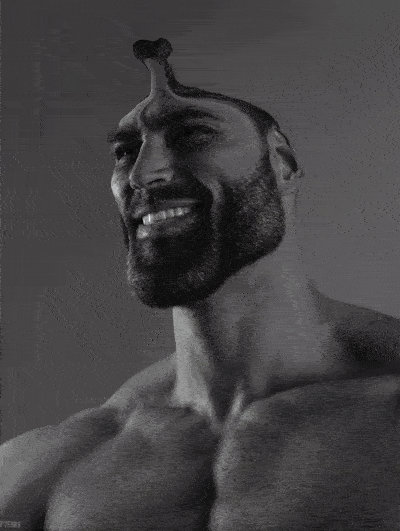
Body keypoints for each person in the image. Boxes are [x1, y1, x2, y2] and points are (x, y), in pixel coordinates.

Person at [1, 38, 400, 531]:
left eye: (193, 135)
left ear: (281, 163)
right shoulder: (63, 461)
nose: (144, 173)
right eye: (125, 152)